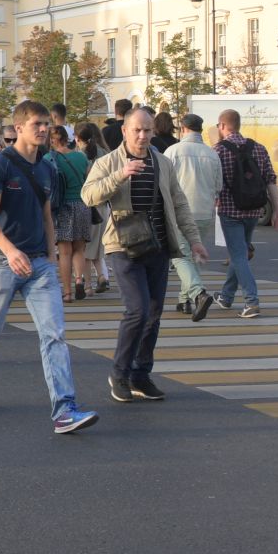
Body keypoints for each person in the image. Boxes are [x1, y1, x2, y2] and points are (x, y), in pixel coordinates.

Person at [0, 100, 99, 434]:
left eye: (46, 123)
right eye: (37, 124)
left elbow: (47, 216)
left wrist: (50, 257)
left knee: (55, 335)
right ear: (19, 128)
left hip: (39, 265)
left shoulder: (47, 167)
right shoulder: (2, 164)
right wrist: (10, 250)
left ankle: (65, 410)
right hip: (2, 262)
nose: (44, 129)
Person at [83, 106, 208, 403]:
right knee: (136, 311)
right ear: (124, 131)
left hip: (158, 246)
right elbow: (88, 196)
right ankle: (120, 373)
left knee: (153, 314)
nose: (143, 135)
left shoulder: (162, 163)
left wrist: (194, 240)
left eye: (148, 130)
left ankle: (141, 374)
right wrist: (120, 175)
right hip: (123, 246)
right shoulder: (108, 162)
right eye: (137, 130)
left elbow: (178, 203)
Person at [213, 108, 278, 318]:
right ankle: (226, 296)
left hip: (229, 210)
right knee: (240, 254)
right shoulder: (259, 149)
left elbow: (215, 184)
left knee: (238, 255)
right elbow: (271, 180)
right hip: (254, 210)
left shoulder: (218, 150)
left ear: (223, 126)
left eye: (218, 126)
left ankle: (251, 301)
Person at [163, 113, 222, 319]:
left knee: (180, 256)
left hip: (179, 211)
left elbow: (163, 182)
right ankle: (184, 300)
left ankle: (198, 293)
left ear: (183, 129)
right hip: (205, 212)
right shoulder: (212, 154)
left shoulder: (173, 151)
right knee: (192, 256)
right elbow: (218, 186)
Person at [48, 125, 93, 300]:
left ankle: (67, 293)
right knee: (79, 249)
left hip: (62, 208)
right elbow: (89, 178)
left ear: (52, 140)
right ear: (67, 139)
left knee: (64, 252)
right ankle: (79, 280)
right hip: (82, 205)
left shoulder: (48, 159)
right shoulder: (81, 157)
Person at [74, 122, 110, 294]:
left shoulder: (79, 156)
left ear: (77, 138)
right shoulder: (106, 153)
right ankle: (102, 276)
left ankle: (87, 285)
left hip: (86, 205)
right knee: (97, 247)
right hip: (104, 205)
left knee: (84, 249)